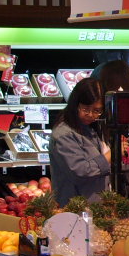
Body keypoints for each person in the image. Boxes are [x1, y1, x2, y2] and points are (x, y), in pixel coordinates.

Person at [49, 77, 111, 206]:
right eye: (86, 109)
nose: (91, 115)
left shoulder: (90, 128)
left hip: (94, 206)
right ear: (75, 104)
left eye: (97, 110)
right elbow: (81, 172)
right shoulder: (64, 134)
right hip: (75, 209)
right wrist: (111, 155)